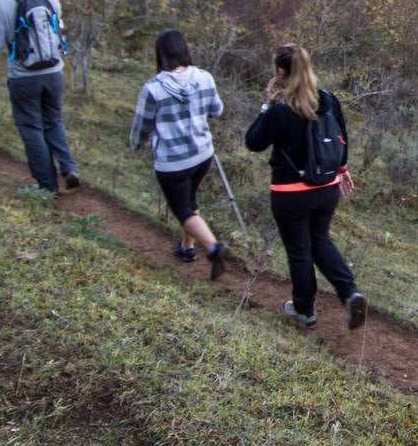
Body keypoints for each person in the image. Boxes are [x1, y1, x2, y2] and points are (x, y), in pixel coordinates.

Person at [244, 44, 367, 330]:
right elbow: (342, 140)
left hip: (291, 194)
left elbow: (253, 142)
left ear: (280, 73)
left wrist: (267, 103)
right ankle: (350, 293)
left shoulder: (279, 111)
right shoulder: (328, 100)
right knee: (320, 239)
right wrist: (343, 170)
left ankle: (303, 309)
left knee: (299, 250)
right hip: (326, 189)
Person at [129, 29, 231, 280]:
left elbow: (142, 125)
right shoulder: (205, 78)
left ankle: (214, 247)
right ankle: (187, 247)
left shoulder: (153, 88)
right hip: (202, 154)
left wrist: (135, 145)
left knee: (183, 210)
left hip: (173, 162)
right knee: (190, 200)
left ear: (160, 55)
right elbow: (217, 110)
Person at [0, 0, 82, 193]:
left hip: (23, 76)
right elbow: (57, 27)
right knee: (54, 120)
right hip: (53, 72)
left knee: (31, 127)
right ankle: (69, 168)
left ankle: (47, 185)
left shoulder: (3, 4)